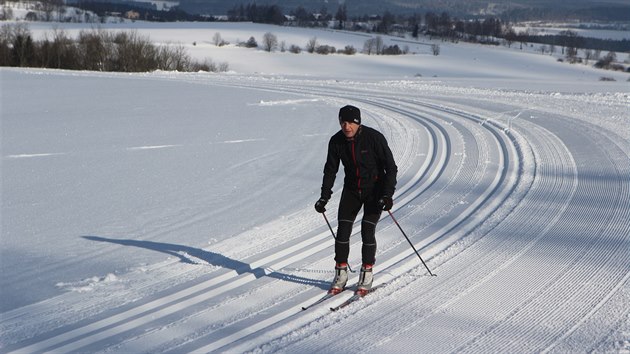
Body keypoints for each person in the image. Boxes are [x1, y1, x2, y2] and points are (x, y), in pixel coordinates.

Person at [315, 105, 398, 295]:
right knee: (343, 231)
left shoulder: (374, 138)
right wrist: (324, 197)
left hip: (374, 190)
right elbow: (330, 170)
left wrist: (387, 195)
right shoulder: (336, 141)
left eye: (351, 122)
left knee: (367, 230)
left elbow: (391, 168)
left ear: (358, 123)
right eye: (343, 122)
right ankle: (341, 273)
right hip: (352, 190)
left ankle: (366, 272)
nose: (346, 126)